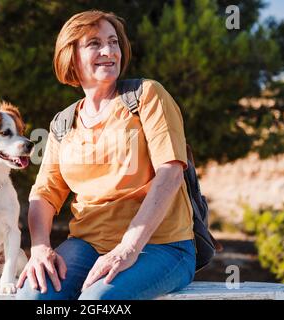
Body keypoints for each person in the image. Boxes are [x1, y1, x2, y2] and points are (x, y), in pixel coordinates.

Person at [16, 10, 195, 300]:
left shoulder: (147, 95)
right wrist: (39, 248)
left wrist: (127, 249)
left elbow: (171, 171)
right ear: (70, 55)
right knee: (33, 297)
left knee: (98, 302)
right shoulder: (63, 123)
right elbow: (45, 194)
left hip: (161, 245)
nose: (108, 51)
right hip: (87, 244)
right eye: (94, 44)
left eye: (113, 42)